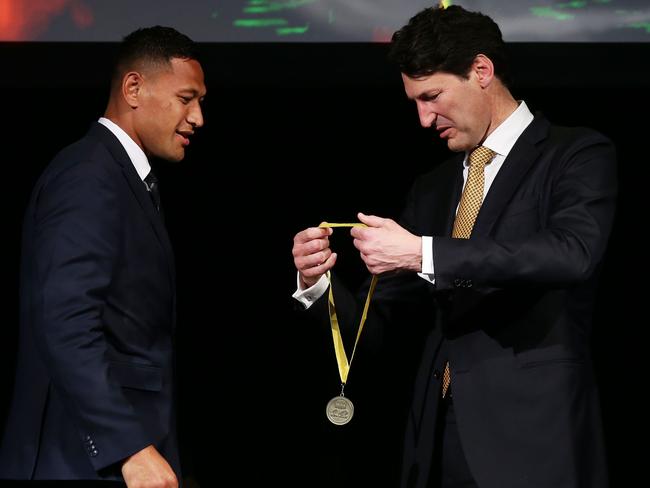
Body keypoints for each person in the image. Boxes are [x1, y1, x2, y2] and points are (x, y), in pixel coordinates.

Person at [292, 5, 616, 488]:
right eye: (415, 103)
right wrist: (319, 283)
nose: (424, 119)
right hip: (438, 439)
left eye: (433, 96)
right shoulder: (433, 188)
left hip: (535, 437)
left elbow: (570, 254)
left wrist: (423, 253)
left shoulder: (575, 154)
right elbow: (378, 324)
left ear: (481, 71)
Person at [0, 26, 206, 486]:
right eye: (186, 98)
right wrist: (129, 447)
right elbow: (66, 321)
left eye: (200, 103)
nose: (198, 118)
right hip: (81, 461)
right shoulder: (88, 177)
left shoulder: (120, 177)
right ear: (134, 88)